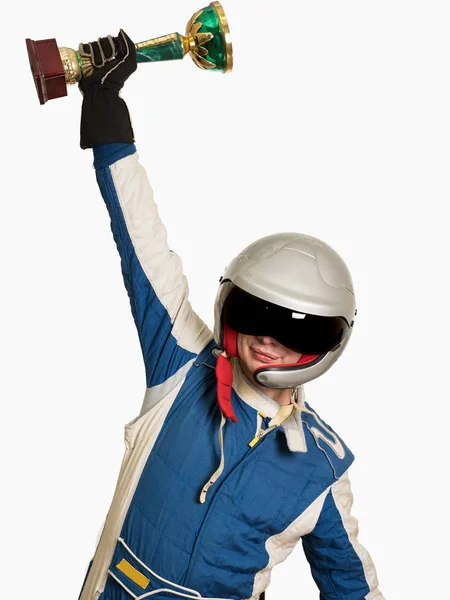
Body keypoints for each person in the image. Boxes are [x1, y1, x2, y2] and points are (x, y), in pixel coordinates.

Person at [76, 30, 384, 600]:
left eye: (297, 330)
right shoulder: (181, 368)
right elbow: (143, 247)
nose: (269, 340)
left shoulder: (321, 469)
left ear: (326, 343)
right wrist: (107, 116)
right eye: (257, 314)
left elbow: (353, 586)